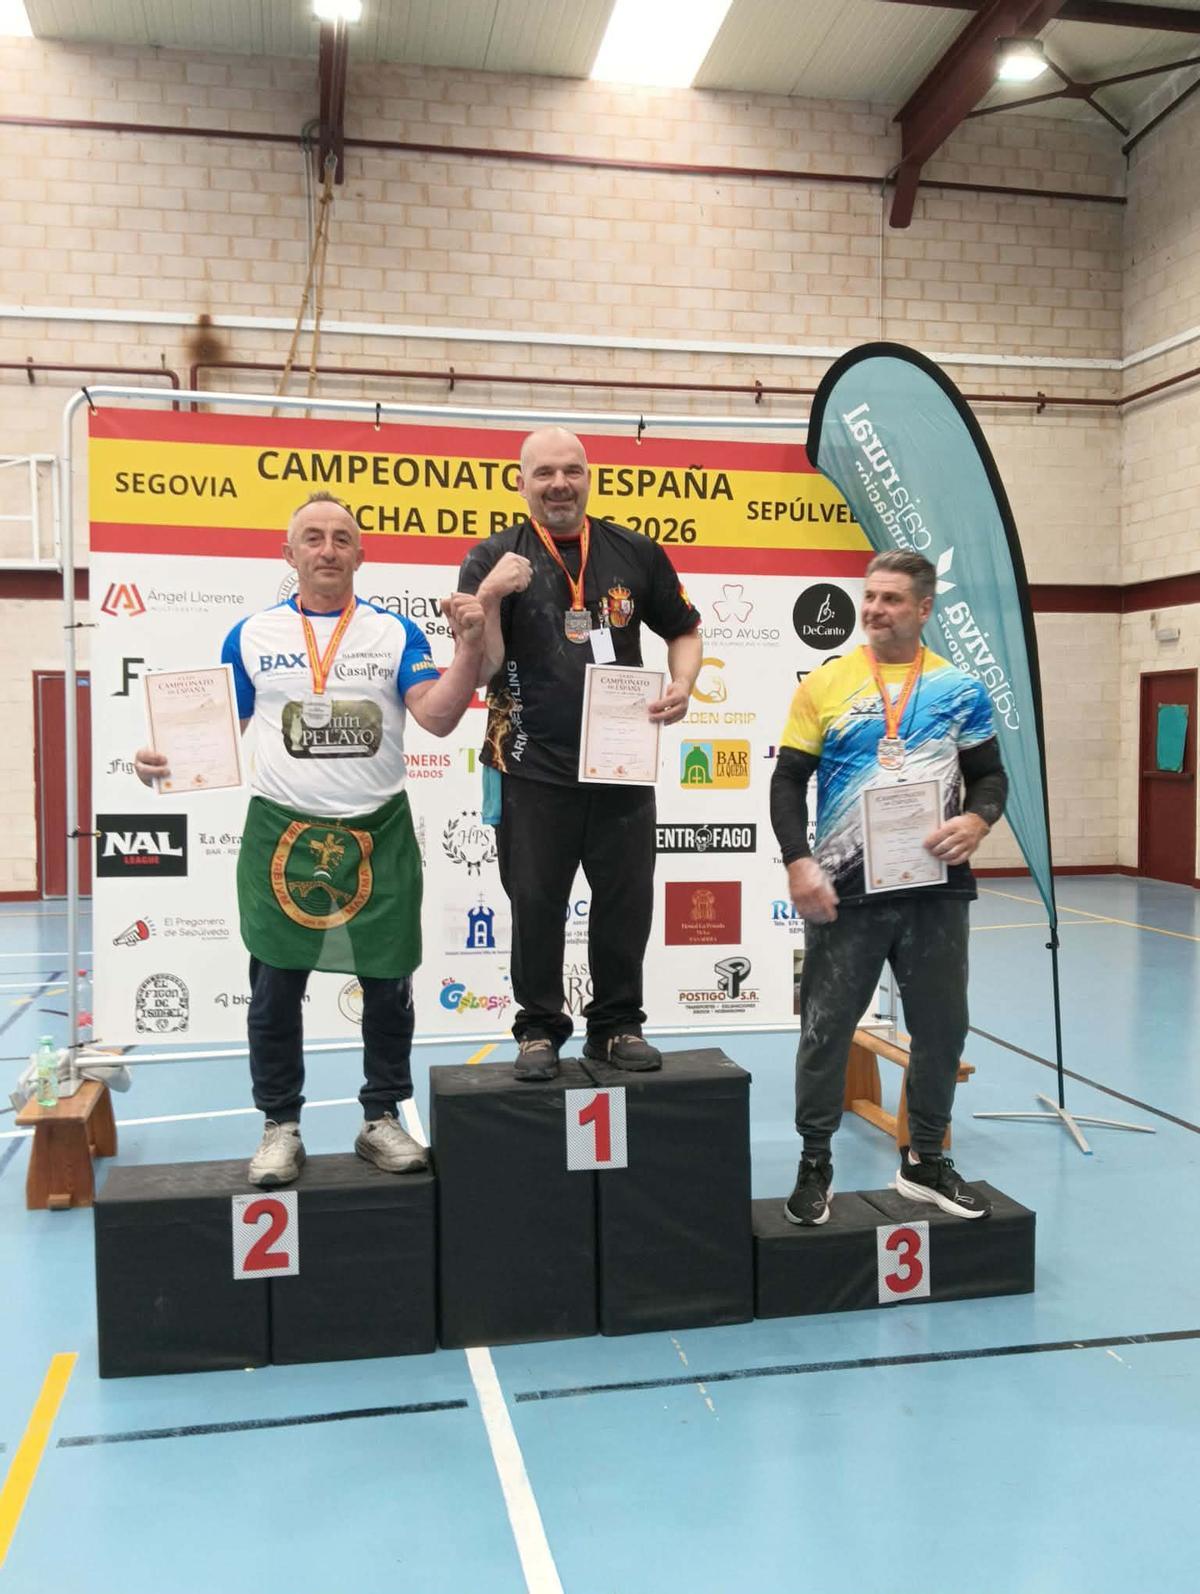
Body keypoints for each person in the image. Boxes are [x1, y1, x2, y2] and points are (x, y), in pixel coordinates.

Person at [135, 491, 486, 1187]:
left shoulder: (394, 635)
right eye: (313, 538)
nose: (328, 549)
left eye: (341, 539)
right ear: (288, 554)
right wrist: (159, 763)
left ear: (361, 553)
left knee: (387, 989)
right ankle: (279, 1127)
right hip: (281, 833)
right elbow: (212, 737)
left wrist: (470, 648)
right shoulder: (250, 637)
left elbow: (441, 720)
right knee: (271, 993)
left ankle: (381, 1117)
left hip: (378, 833)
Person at [769, 549, 1008, 1224]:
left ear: (924, 608)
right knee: (826, 1030)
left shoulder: (959, 688)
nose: (874, 609)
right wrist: (797, 859)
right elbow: (787, 779)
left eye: (891, 599)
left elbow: (989, 775)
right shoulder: (827, 683)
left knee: (941, 1030)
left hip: (935, 889)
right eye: (869, 596)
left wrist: (978, 818)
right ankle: (815, 1160)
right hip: (845, 893)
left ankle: (925, 1160)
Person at [457, 426, 703, 1080]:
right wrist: (488, 600)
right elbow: (482, 673)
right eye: (543, 473)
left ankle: (617, 1026)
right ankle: (539, 1030)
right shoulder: (492, 559)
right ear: (521, 483)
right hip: (529, 766)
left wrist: (683, 684)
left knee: (626, 901)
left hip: (621, 767)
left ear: (589, 477)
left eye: (571, 471)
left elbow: (685, 630)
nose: (558, 484)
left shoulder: (634, 552)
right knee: (536, 903)